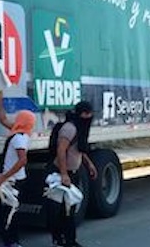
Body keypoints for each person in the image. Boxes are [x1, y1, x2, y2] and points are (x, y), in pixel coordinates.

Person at [48, 101, 98, 247]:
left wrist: (89, 164)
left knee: (70, 208)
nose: (90, 117)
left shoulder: (80, 127)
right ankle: (60, 240)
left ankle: (69, 240)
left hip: (73, 173)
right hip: (62, 173)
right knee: (60, 209)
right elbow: (61, 150)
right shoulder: (69, 128)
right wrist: (64, 174)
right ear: (82, 114)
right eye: (88, 114)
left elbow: (78, 148)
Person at [0, 91, 35, 247]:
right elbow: (3, 119)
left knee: (6, 214)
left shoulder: (19, 138)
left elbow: (23, 160)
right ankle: (12, 241)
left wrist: (4, 177)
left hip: (12, 181)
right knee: (9, 212)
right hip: (13, 180)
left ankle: (12, 242)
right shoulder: (19, 132)